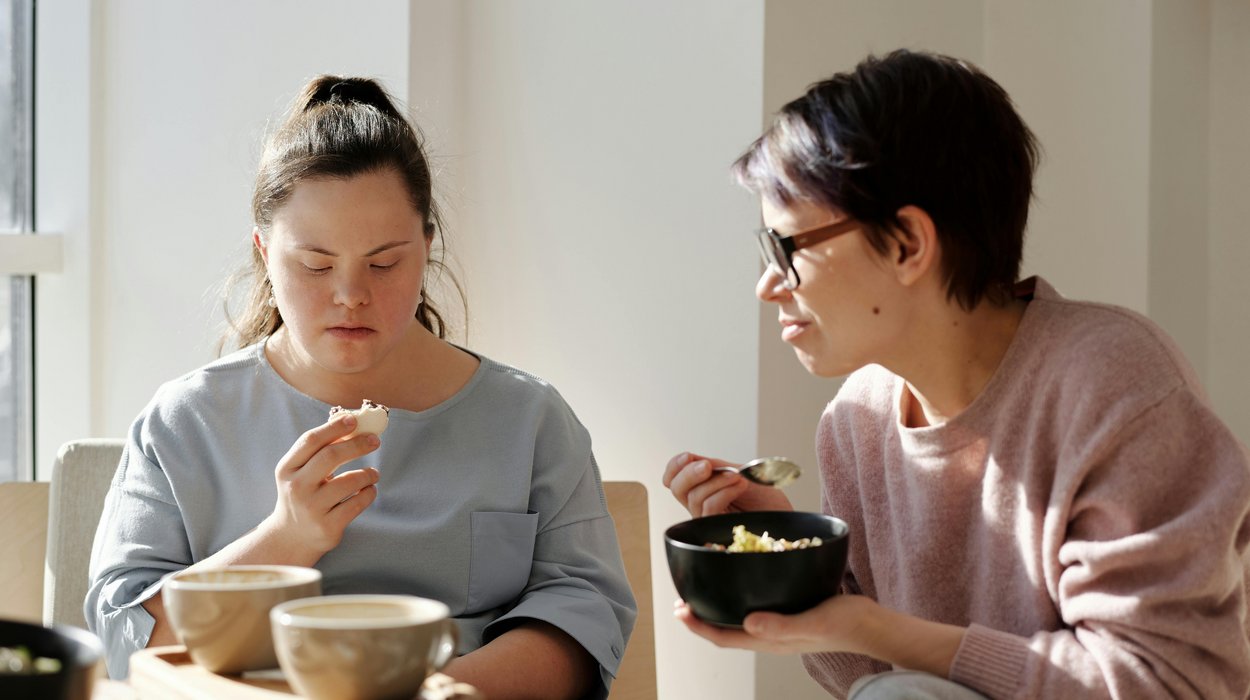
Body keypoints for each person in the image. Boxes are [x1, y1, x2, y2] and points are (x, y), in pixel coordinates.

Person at [663, 49, 1250, 699]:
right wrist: (797, 567)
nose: (768, 286)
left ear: (908, 244)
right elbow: (861, 677)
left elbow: (1167, 683)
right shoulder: (857, 419)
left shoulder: (1114, 384)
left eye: (789, 248)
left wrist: (879, 630)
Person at [86, 75, 635, 699]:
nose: (351, 295)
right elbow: (123, 635)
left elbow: (584, 614)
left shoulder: (528, 418)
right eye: (315, 264)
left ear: (427, 246)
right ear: (264, 253)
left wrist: (426, 691)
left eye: (384, 262)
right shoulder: (186, 421)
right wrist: (287, 538)